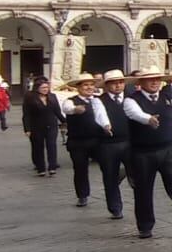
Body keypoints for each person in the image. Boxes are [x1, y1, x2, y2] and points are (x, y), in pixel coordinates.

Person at [123, 67, 172, 240]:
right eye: (151, 79)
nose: (155, 82)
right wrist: (148, 119)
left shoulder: (167, 97)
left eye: (158, 79)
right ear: (140, 83)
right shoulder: (131, 100)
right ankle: (145, 226)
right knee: (143, 189)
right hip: (143, 152)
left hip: (168, 149)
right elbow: (134, 114)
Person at [59, 72, 111, 207]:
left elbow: (102, 115)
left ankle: (111, 191)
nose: (89, 88)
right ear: (78, 87)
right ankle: (82, 195)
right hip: (78, 142)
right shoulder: (71, 100)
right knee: (80, 169)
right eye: (85, 85)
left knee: (107, 165)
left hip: (97, 140)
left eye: (91, 85)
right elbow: (67, 109)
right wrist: (76, 109)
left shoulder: (97, 100)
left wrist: (106, 125)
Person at [96, 69, 131, 221]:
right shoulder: (99, 100)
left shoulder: (131, 98)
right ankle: (115, 208)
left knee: (138, 173)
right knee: (110, 176)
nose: (118, 86)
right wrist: (105, 125)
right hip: (107, 144)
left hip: (130, 142)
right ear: (106, 85)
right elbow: (99, 115)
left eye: (120, 82)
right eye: (113, 83)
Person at [21, 78, 63, 176]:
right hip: (36, 126)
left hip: (51, 125)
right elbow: (26, 114)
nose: (45, 89)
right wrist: (27, 129)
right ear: (37, 88)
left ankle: (52, 167)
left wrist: (64, 121)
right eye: (43, 87)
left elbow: (57, 111)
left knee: (51, 145)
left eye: (47, 87)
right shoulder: (30, 98)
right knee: (38, 147)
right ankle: (41, 168)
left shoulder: (52, 97)